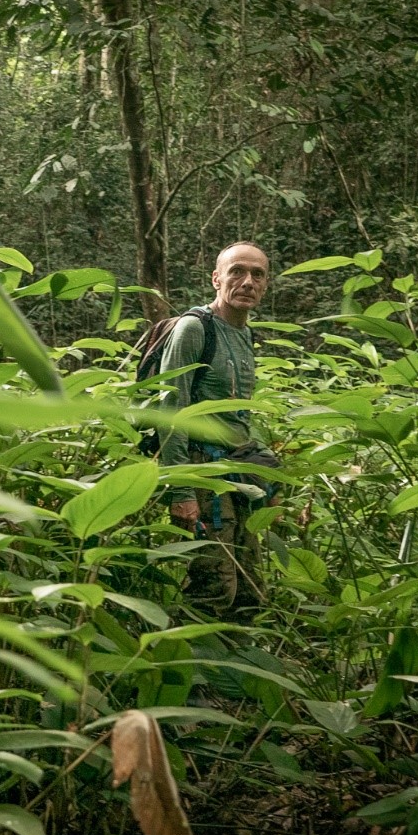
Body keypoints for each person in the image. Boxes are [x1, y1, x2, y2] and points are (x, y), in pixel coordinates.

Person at [157, 241, 274, 608]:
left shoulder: (245, 333)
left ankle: (237, 661)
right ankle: (194, 662)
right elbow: (170, 409)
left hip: (238, 473)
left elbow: (238, 415)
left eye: (257, 274)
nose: (247, 282)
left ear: (266, 284)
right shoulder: (194, 329)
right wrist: (182, 491)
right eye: (237, 271)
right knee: (214, 587)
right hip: (202, 475)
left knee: (250, 588)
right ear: (216, 278)